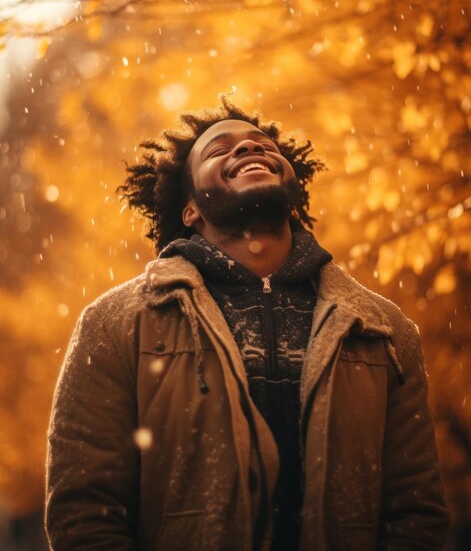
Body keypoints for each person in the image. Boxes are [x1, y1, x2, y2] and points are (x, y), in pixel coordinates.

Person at [45, 95, 449, 551]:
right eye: (220, 150)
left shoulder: (383, 328)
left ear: (294, 196)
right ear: (190, 210)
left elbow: (415, 512)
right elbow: (85, 513)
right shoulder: (116, 323)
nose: (249, 149)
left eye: (262, 145)